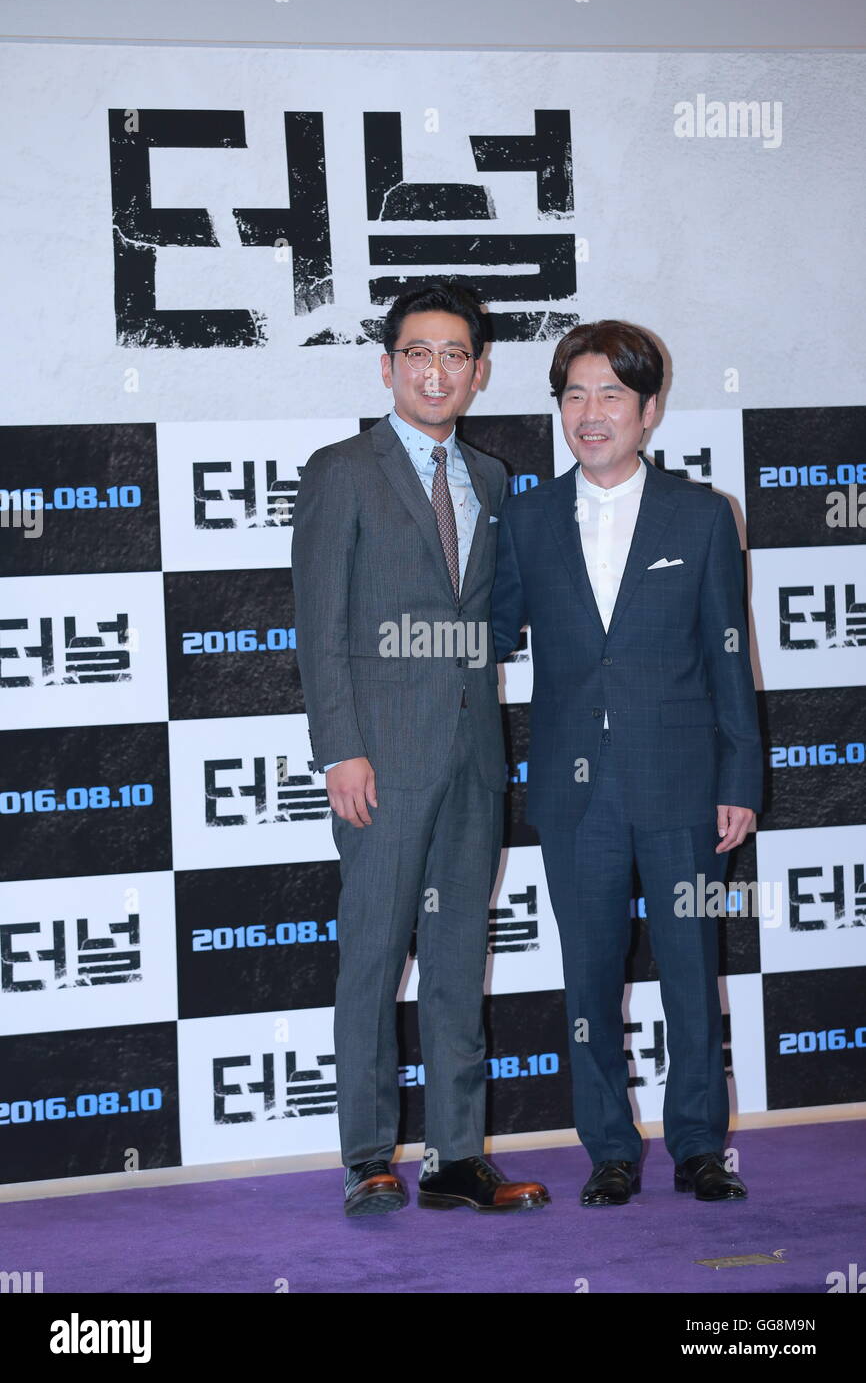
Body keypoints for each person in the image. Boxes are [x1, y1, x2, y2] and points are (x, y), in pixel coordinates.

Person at [292, 281, 550, 1217]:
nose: (435, 370)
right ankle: (368, 1156)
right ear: (389, 365)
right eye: (417, 353)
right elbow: (319, 626)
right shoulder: (341, 471)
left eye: (454, 355)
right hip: (381, 760)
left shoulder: (491, 479)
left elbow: (490, 619)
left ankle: (455, 1156)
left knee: (454, 957)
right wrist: (341, 750)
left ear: (478, 371)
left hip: (475, 754)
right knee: (371, 954)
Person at [492, 320, 762, 1206]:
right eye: (574, 394)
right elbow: (487, 634)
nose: (591, 413)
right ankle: (609, 1148)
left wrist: (739, 781)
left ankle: (697, 1147)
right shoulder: (528, 518)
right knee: (589, 980)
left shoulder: (701, 514)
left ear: (649, 411)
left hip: (683, 786)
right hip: (575, 795)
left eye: (612, 394)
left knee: (692, 972)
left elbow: (730, 656)